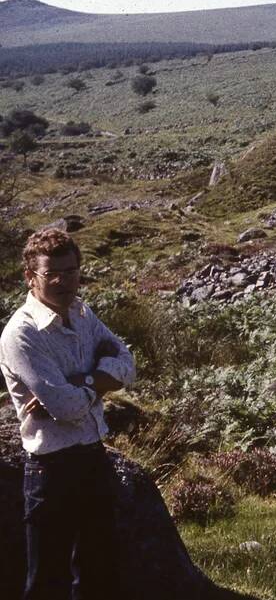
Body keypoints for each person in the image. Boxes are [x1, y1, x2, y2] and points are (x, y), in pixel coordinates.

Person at [0, 228, 136, 600]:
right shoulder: (22, 334)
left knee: (99, 573)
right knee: (47, 582)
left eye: (72, 271)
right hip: (51, 469)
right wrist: (95, 384)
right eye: (52, 274)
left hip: (93, 457)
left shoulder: (83, 313)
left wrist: (81, 380)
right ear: (30, 277)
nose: (64, 281)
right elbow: (68, 407)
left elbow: (127, 364)